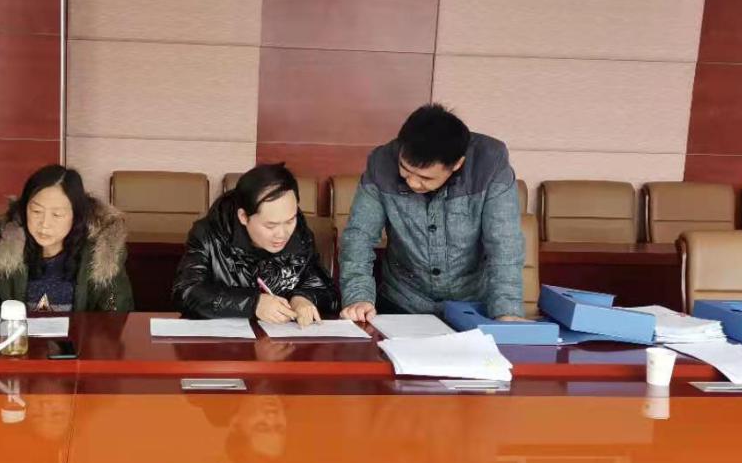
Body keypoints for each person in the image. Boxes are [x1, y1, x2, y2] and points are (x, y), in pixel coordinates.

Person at [338, 103, 525, 322]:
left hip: (471, 306)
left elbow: (504, 243)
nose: (412, 183)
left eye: (425, 178)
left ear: (457, 164)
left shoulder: (490, 165)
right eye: (405, 170)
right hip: (402, 302)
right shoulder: (381, 163)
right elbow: (359, 237)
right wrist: (358, 297)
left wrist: (507, 312)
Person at [172, 163, 339, 323]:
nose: (282, 234)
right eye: (270, 226)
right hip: (228, 339)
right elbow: (187, 292)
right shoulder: (209, 234)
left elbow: (327, 291)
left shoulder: (300, 234)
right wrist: (252, 303)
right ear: (243, 217)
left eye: (290, 221)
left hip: (281, 339)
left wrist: (304, 298)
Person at [0, 165, 133, 314]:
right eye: (36, 211)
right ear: (24, 209)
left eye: (57, 214)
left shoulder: (103, 255)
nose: (45, 224)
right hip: (16, 338)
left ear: (76, 216)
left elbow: (117, 317)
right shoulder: (1, 248)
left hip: (79, 339)